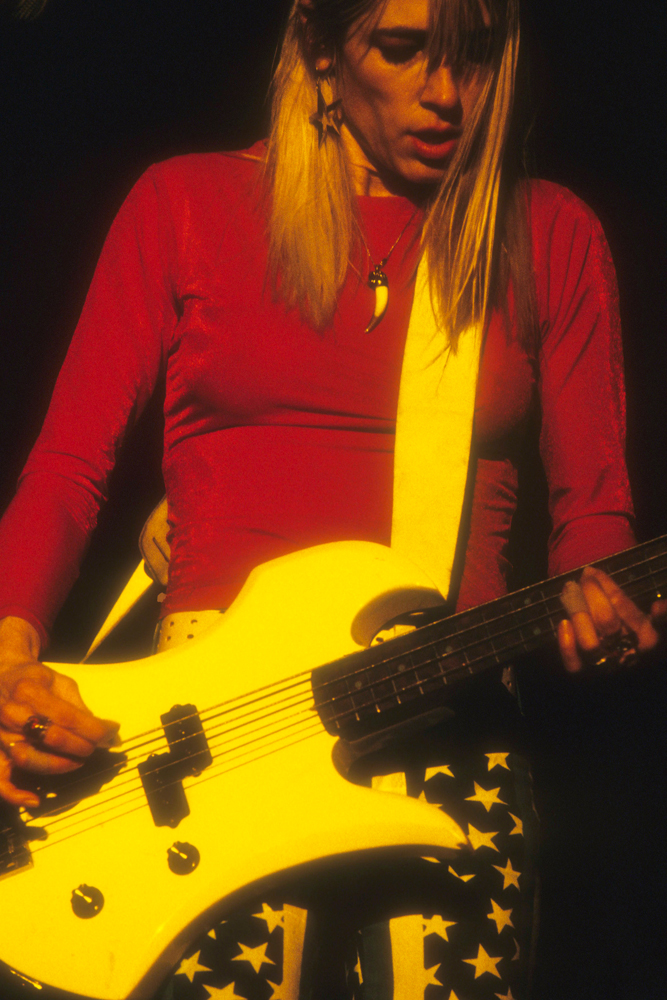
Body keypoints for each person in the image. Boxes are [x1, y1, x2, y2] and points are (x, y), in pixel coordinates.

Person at [0, 0, 664, 997]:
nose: (446, 95)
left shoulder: (548, 232)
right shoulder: (187, 202)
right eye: (400, 51)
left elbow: (594, 518)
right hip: (213, 735)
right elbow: (67, 466)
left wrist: (609, 613)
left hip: (457, 725)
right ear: (319, 52)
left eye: (474, 56)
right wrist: (6, 662)